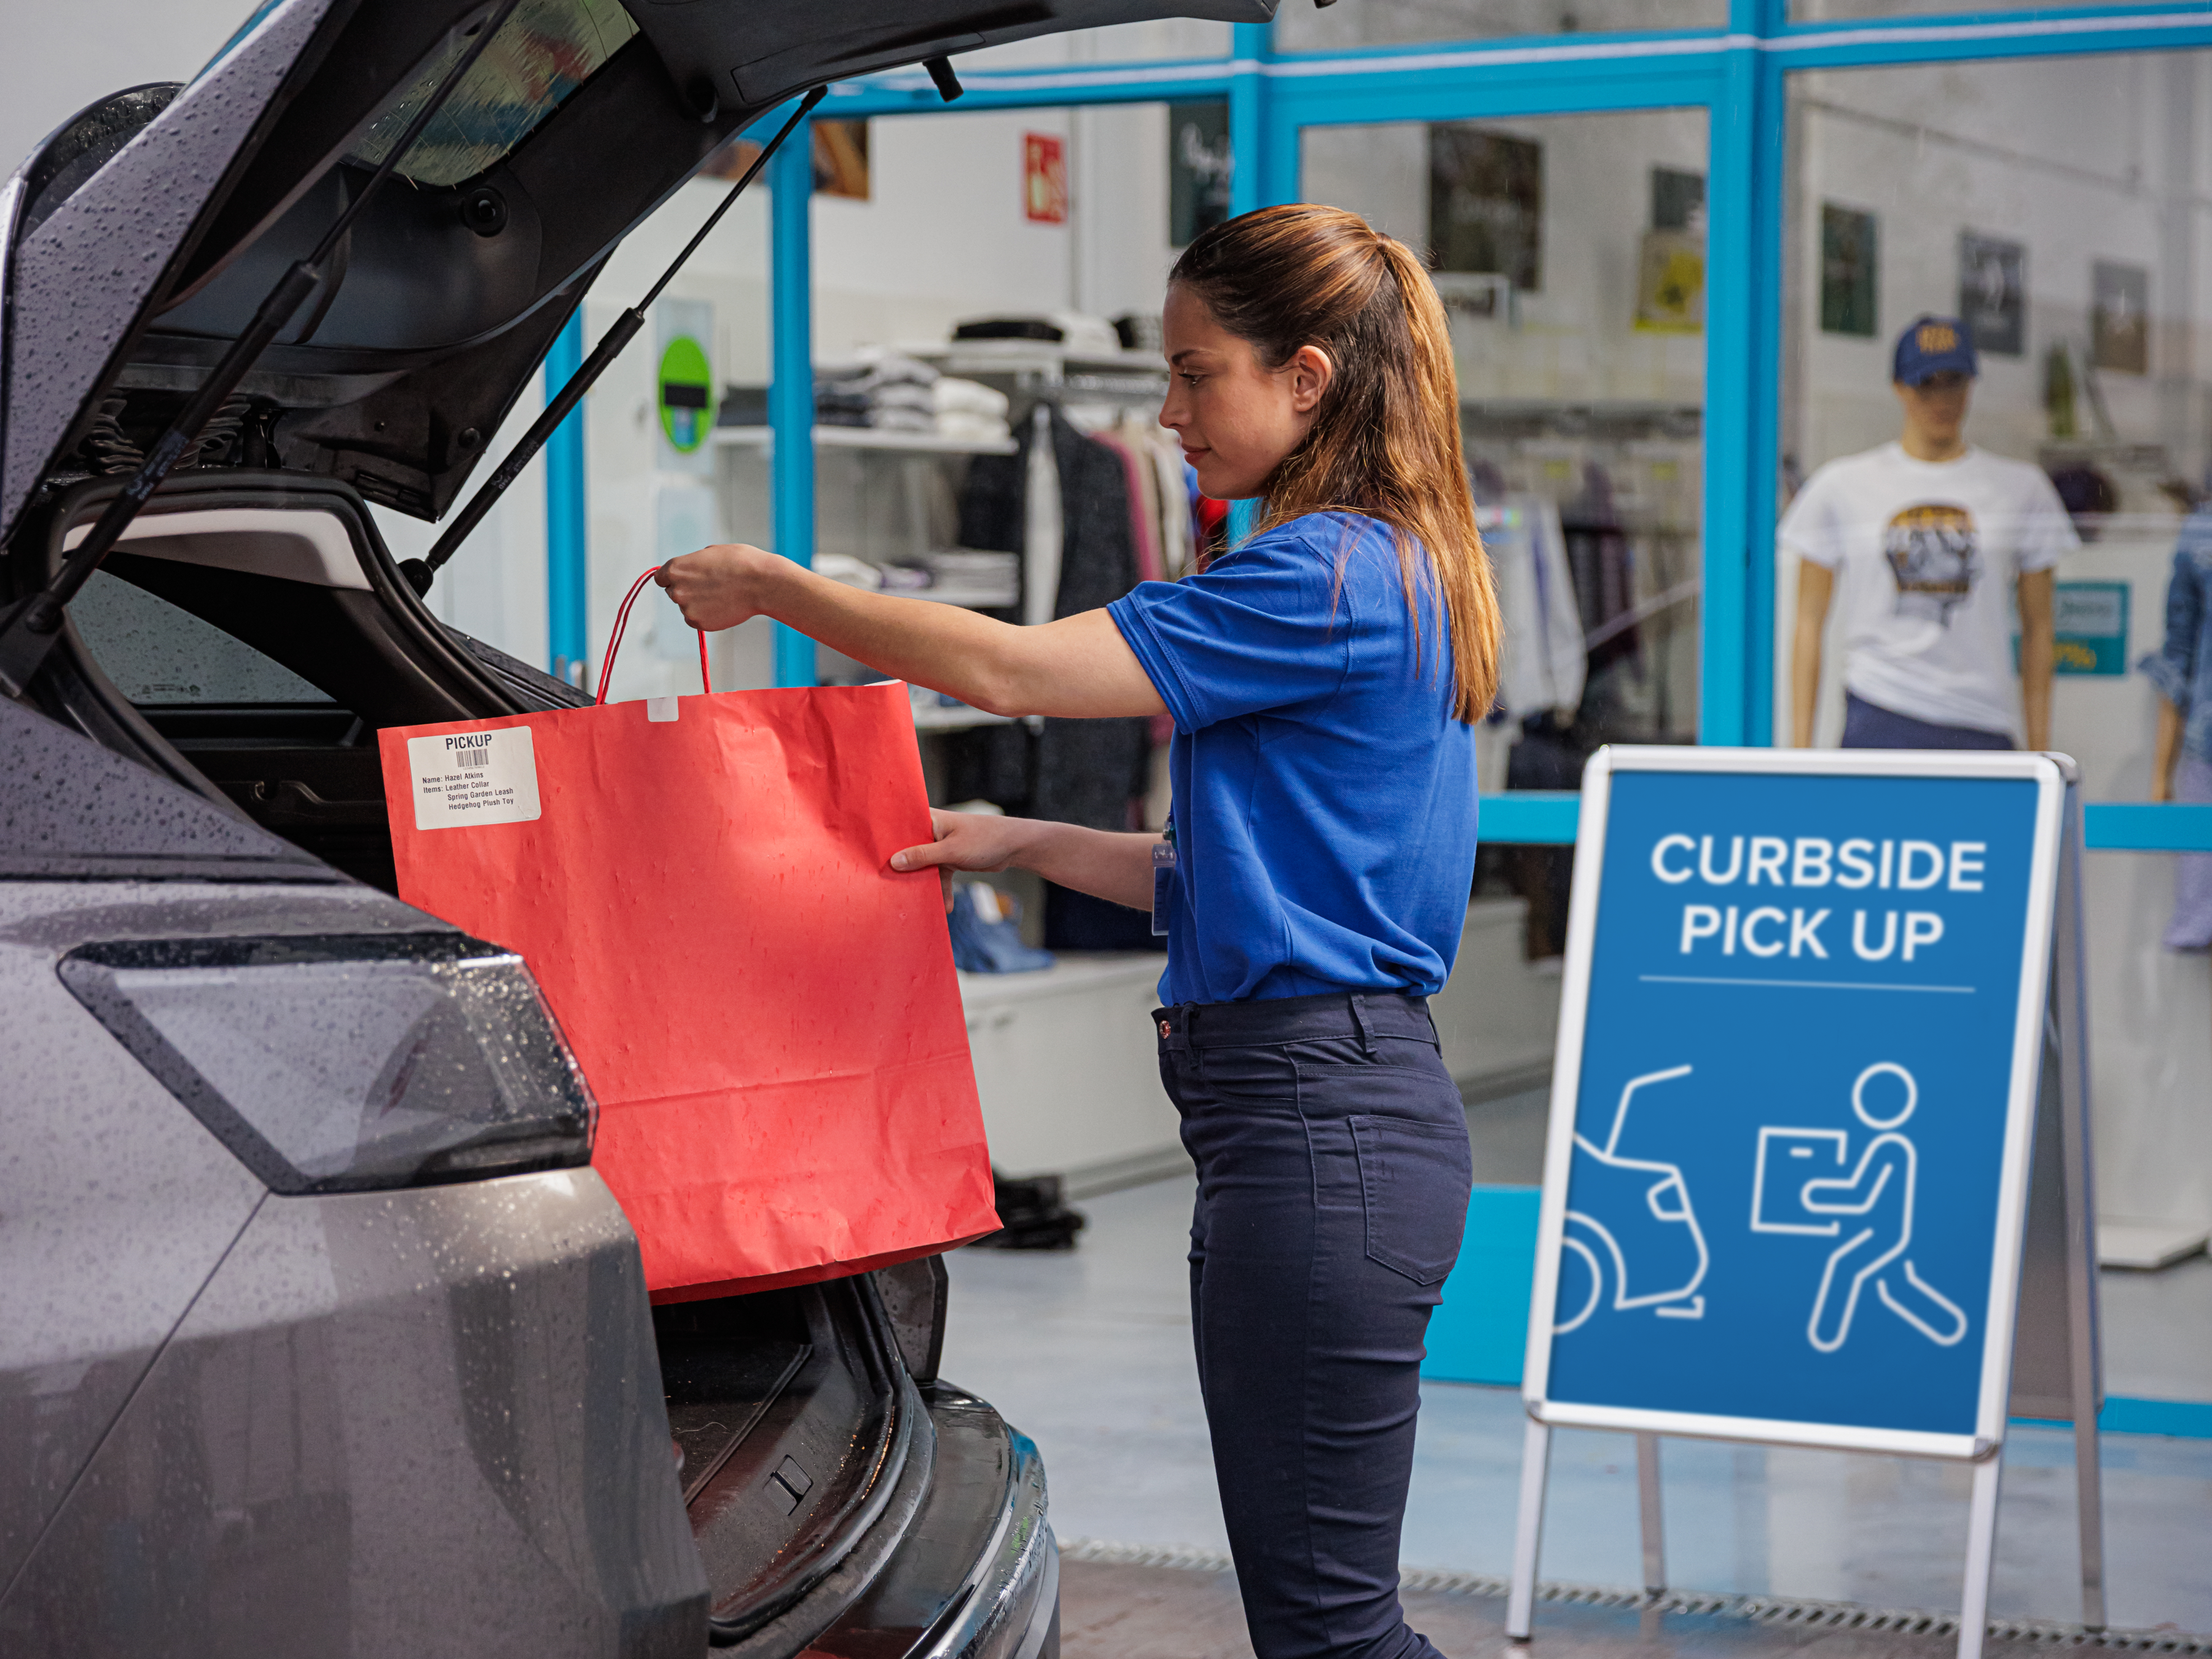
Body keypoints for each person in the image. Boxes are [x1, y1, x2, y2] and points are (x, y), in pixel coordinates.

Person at [658, 203, 1500, 1659]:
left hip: (1319, 1126)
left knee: (1333, 1635)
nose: (1169, 414)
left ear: (1307, 376)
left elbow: (1005, 667)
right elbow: (1238, 885)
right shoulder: (1390, 568)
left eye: (1195, 373)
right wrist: (1020, 840)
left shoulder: (1319, 574)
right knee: (1325, 1624)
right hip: (1322, 1113)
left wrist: (779, 587)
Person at [1783, 314, 2075, 750]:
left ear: (1971, 385)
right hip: (1879, 709)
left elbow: (2039, 629)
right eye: (1927, 384)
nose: (1941, 399)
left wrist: (2040, 753)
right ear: (1900, 388)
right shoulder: (1842, 486)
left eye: (1953, 382)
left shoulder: (2020, 490)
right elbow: (1808, 621)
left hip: (1982, 716)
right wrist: (1800, 753)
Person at [2143, 505, 2212, 948]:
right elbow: (2180, 656)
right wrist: (2160, 777)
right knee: (2201, 920)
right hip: (2207, 751)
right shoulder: (2201, 534)